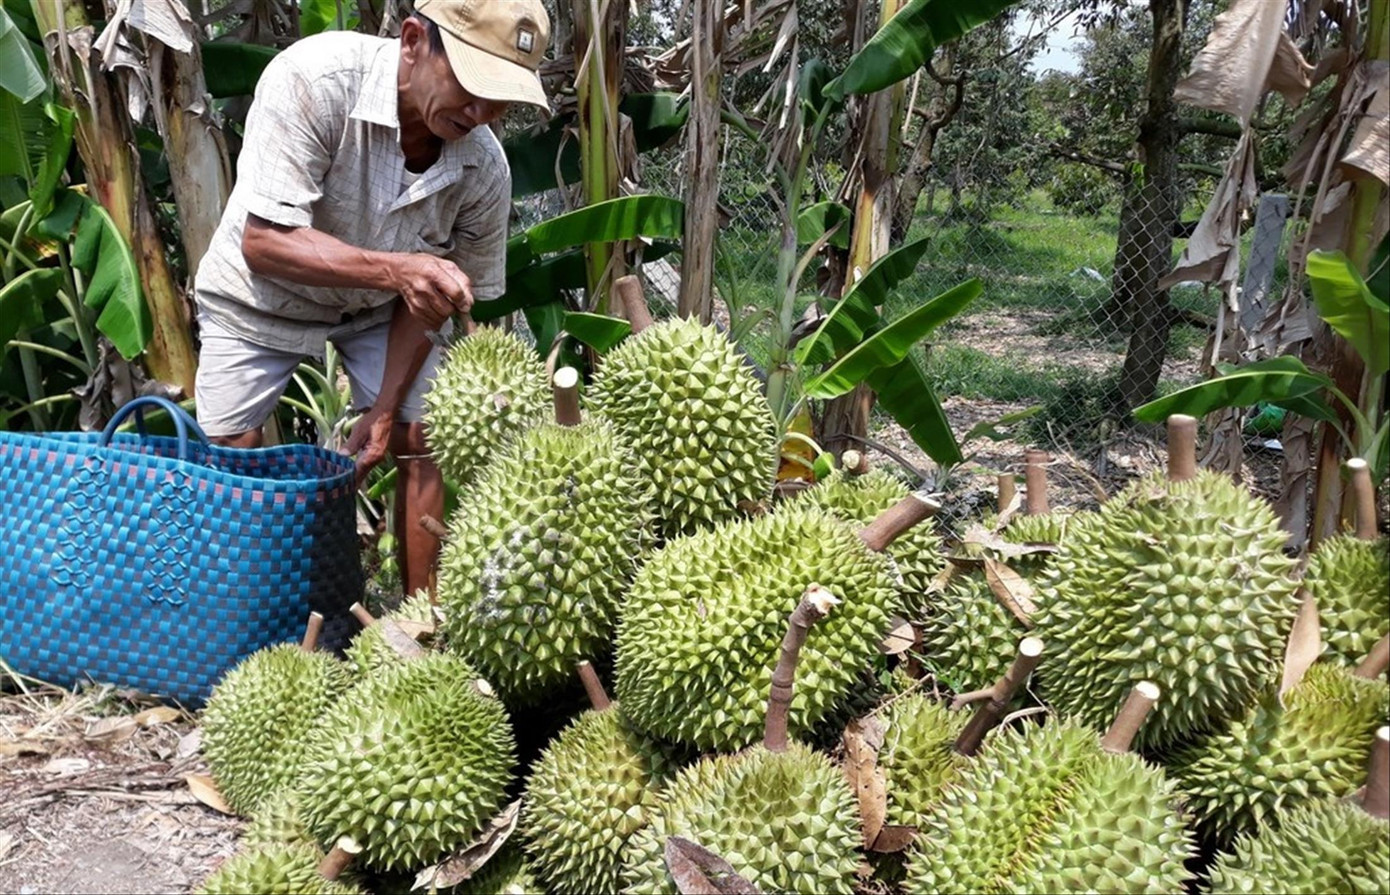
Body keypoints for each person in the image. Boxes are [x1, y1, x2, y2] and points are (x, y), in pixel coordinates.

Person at [192, 0, 550, 595]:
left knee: (423, 433)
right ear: (412, 41)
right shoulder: (316, 80)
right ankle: (243, 609)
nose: (482, 112)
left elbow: (429, 302)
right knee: (232, 450)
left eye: (500, 99)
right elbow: (264, 243)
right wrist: (399, 270)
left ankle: (421, 617)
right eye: (472, 85)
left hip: (377, 311)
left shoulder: (484, 169)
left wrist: (384, 408)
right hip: (261, 294)